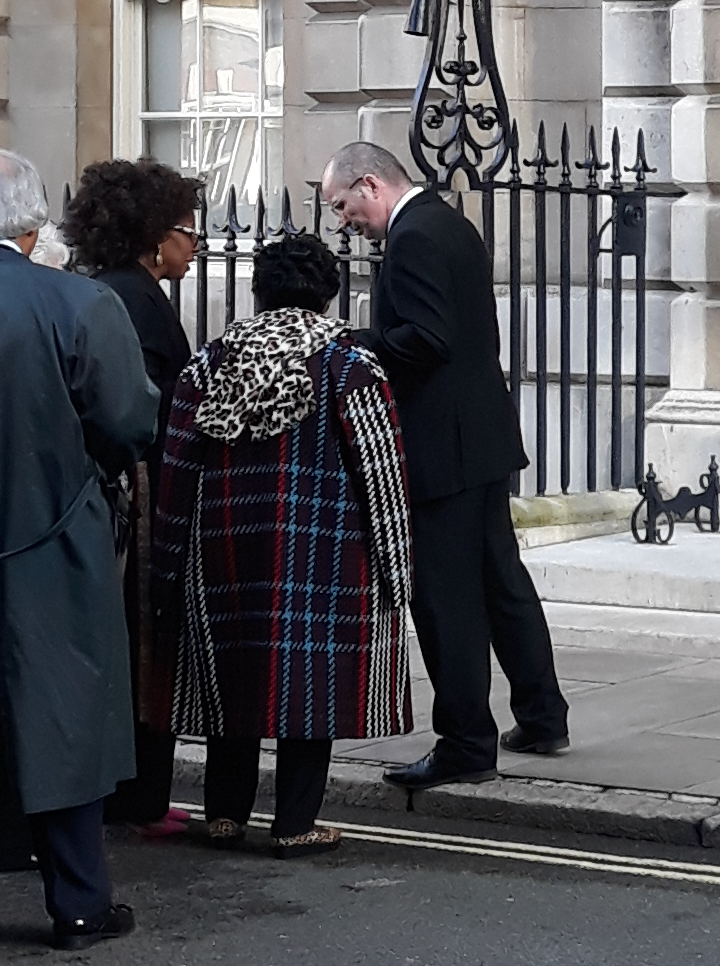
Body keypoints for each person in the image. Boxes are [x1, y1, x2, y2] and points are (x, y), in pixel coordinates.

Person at [151, 228, 416, 854]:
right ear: (327, 293)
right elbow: (381, 471)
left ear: (259, 291)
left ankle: (223, 815)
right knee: (311, 682)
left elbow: (176, 467)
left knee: (231, 675)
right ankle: (296, 823)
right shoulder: (348, 364)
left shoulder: (211, 362)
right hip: (321, 550)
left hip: (220, 550)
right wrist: (396, 566)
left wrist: (166, 564)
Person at [322, 141, 568, 785]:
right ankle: (543, 715)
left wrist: (355, 343)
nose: (343, 220)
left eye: (343, 205)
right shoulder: (447, 221)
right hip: (481, 438)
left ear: (370, 185)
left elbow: (428, 338)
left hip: (443, 447)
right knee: (500, 581)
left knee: (446, 599)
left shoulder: (414, 238)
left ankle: (464, 743)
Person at [0, 148, 154, 948]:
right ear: (31, 227)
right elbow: (130, 423)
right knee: (62, 721)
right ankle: (81, 905)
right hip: (50, 541)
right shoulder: (79, 305)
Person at [60, 156, 201, 831]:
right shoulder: (135, 300)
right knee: (145, 645)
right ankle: (138, 799)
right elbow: (141, 406)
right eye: (186, 231)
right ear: (153, 235)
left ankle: (127, 792)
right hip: (139, 495)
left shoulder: (103, 288)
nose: (195, 244)